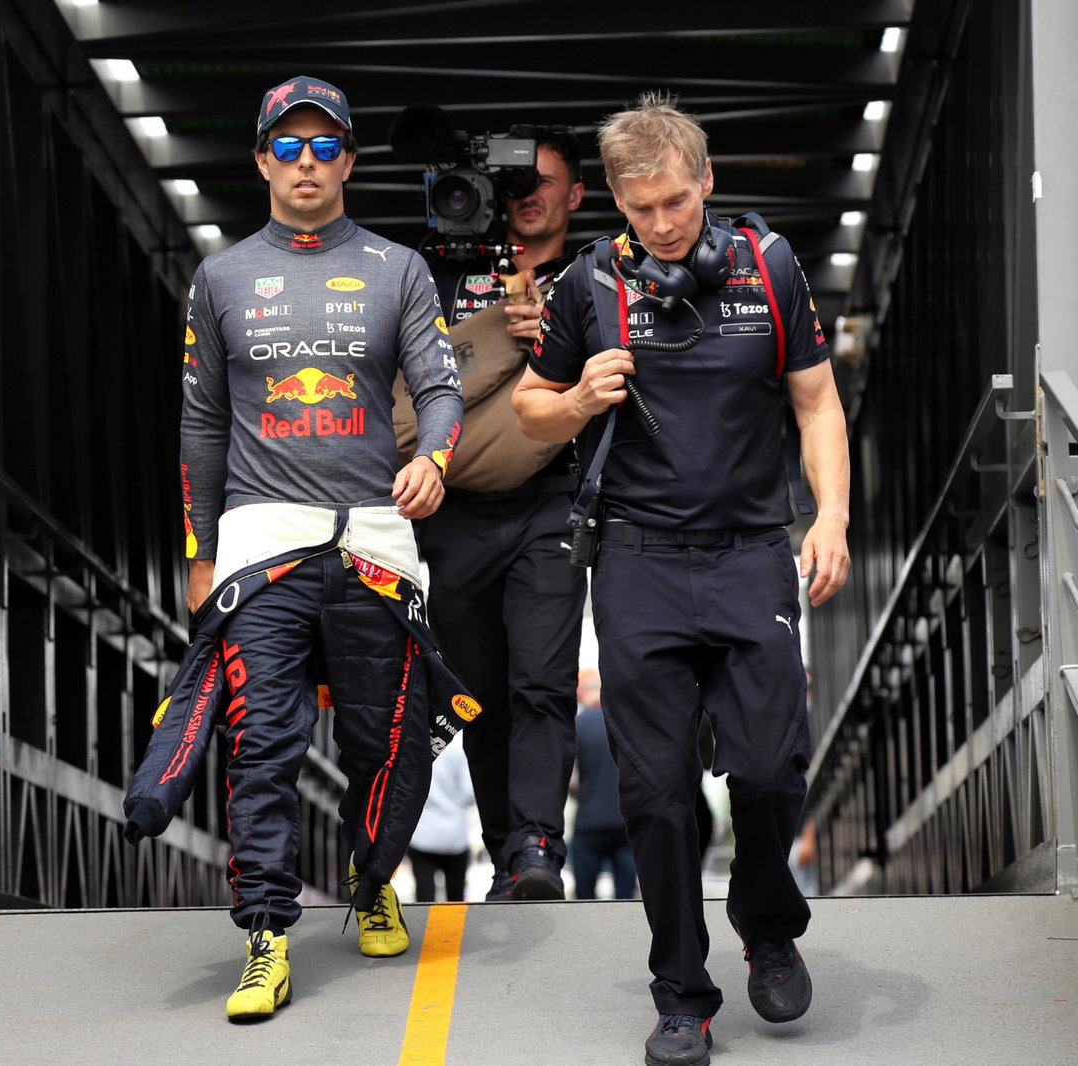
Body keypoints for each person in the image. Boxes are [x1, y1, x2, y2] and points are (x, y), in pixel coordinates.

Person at [514, 91, 851, 1065]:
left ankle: (766, 919)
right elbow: (532, 408)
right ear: (616, 199)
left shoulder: (769, 268)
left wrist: (827, 517)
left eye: (675, 201)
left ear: (703, 180)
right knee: (654, 795)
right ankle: (680, 994)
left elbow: (818, 405)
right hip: (637, 565)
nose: (662, 223)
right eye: (640, 206)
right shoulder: (588, 287)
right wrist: (577, 396)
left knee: (769, 765)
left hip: (751, 554)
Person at [158, 75, 467, 1024]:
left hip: (372, 536)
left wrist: (437, 460)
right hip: (261, 543)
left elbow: (442, 389)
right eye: (287, 147)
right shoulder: (220, 277)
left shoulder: (399, 269)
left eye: (324, 146)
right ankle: (266, 937)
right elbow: (201, 426)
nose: (306, 163)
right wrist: (200, 555)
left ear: (349, 161)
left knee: (386, 736)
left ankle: (373, 878)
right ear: (260, 160)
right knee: (262, 742)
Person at [396, 126, 588, 901]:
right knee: (480, 688)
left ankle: (539, 844)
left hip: (554, 503)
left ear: (576, 193)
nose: (528, 196)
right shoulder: (436, 276)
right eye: (514, 186)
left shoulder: (601, 276)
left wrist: (559, 338)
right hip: (456, 510)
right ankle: (510, 848)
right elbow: (400, 389)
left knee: (543, 676)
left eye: (545, 182)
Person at [568, 668, 637, 900]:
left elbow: (569, 779)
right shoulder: (627, 724)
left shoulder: (578, 725)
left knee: (585, 898)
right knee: (627, 898)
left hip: (590, 823)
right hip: (627, 821)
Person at [407, 732, 477, 902]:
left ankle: (422, 927)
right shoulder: (458, 743)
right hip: (454, 834)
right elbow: (469, 792)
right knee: (455, 898)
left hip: (421, 833)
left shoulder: (414, 741)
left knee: (423, 896)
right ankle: (455, 929)